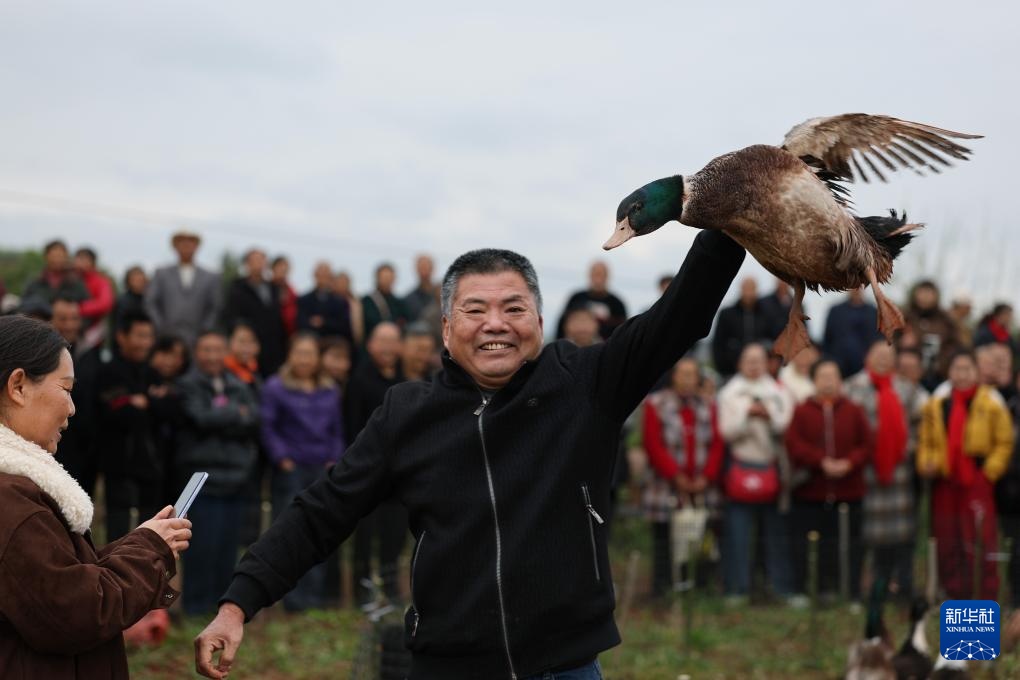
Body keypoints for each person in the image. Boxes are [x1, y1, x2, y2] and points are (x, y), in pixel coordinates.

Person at [194, 230, 745, 680]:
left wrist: (730, 218)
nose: (495, 324)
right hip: (446, 664)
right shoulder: (407, 413)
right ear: (446, 328)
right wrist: (237, 605)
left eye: (513, 308)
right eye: (475, 309)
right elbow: (321, 512)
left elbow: (681, 314)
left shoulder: (585, 382)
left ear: (538, 320)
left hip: (564, 666)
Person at [0, 314, 190, 679]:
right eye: (66, 389)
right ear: (19, 386)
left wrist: (141, 542)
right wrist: (149, 551)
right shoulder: (11, 501)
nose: (72, 408)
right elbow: (77, 612)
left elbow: (61, 577)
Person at [917, 351, 1013, 599]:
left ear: (976, 372)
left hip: (977, 480)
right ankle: (953, 593)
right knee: (948, 538)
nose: (962, 374)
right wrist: (928, 463)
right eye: (957, 369)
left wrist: (990, 472)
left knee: (980, 538)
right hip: (946, 481)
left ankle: (984, 595)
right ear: (949, 373)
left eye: (967, 369)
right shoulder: (937, 404)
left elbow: (1004, 442)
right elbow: (926, 441)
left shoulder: (991, 402)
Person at [177, 330, 260, 615]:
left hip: (236, 477)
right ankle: (195, 607)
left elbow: (254, 419)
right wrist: (236, 414)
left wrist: (222, 417)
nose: (212, 356)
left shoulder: (238, 384)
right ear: (196, 353)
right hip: (201, 478)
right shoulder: (186, 384)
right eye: (206, 349)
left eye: (217, 350)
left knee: (228, 547)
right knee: (201, 545)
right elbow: (200, 418)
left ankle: (222, 608)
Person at [260, 334, 344, 611]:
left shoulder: (329, 389)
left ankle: (314, 597)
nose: (305, 359)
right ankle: (292, 599)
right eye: (300, 353)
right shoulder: (276, 387)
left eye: (310, 353)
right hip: (292, 469)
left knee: (318, 531)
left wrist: (334, 459)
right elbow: (268, 427)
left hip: (321, 469)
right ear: (290, 355)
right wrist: (281, 457)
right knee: (291, 532)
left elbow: (336, 430)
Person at [845, 340, 928, 599]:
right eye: (877, 354)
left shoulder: (906, 388)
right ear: (867, 357)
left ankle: (899, 587)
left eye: (887, 355)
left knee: (900, 539)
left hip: (899, 474)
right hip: (865, 473)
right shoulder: (852, 387)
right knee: (864, 538)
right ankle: (863, 589)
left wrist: (909, 445)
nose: (882, 359)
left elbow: (921, 424)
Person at [785, 359, 872, 599]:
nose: (828, 382)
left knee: (849, 545)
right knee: (810, 545)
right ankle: (809, 590)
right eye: (822, 376)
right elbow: (794, 444)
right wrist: (820, 461)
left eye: (833, 376)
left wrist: (849, 462)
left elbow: (866, 444)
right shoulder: (802, 411)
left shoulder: (853, 410)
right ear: (813, 381)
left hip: (849, 492)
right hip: (810, 493)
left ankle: (850, 592)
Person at [716, 343, 796, 602]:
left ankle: (780, 587)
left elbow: (785, 424)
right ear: (740, 364)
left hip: (771, 467)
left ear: (767, 364)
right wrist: (747, 413)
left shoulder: (777, 391)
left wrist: (768, 415)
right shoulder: (729, 392)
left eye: (758, 360)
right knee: (737, 535)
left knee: (776, 534)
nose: (753, 365)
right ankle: (736, 588)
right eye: (748, 360)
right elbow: (726, 431)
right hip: (740, 465)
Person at [641, 357, 724, 597]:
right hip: (666, 487)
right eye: (683, 374)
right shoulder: (656, 403)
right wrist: (676, 476)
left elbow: (717, 444)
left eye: (692, 375)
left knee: (701, 539)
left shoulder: (709, 405)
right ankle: (663, 590)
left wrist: (705, 477)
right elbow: (652, 444)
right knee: (664, 540)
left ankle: (699, 589)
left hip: (702, 488)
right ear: (673, 376)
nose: (688, 380)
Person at [345, 321, 406, 603]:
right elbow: (352, 426)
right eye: (382, 341)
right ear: (370, 345)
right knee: (365, 535)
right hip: (367, 470)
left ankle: (391, 589)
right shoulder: (359, 380)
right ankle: (362, 591)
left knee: (395, 533)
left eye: (393, 341)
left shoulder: (405, 380)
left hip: (400, 471)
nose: (387, 347)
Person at [97, 311, 171, 541]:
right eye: (139, 335)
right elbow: (115, 413)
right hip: (120, 467)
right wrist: (149, 402)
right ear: (122, 336)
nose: (145, 342)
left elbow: (170, 410)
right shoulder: (108, 371)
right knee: (119, 536)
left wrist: (144, 402)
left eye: (148, 336)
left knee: (151, 534)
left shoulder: (153, 373)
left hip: (151, 466)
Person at [51, 297, 103, 496]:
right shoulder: (41, 358)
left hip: (87, 450)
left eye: (74, 318)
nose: (69, 325)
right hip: (54, 445)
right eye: (63, 319)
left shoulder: (92, 353)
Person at [145, 230, 221, 348]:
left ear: (196, 247)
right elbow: (151, 302)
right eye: (182, 243)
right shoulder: (161, 274)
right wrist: (160, 326)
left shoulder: (210, 277)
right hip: (166, 337)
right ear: (175, 247)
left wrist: (205, 330)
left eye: (190, 243)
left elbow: (215, 306)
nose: (186, 246)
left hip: (198, 339)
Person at [223, 249, 287, 377]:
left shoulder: (274, 288)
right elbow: (231, 316)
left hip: (272, 348)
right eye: (254, 260)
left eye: (261, 260)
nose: (258, 264)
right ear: (247, 264)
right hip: (247, 346)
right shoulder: (237, 287)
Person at [903, 280, 961, 389]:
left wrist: (942, 362)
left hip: (939, 375)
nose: (925, 296)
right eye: (922, 292)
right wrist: (903, 344)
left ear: (936, 296)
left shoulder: (946, 320)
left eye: (929, 292)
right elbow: (890, 342)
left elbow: (956, 345)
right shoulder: (904, 317)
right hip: (909, 374)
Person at [711, 277, 773, 377]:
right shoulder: (727, 314)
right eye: (746, 288)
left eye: (752, 289)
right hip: (732, 370)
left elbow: (771, 340)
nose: (749, 293)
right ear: (741, 289)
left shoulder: (767, 314)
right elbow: (718, 344)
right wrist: (723, 369)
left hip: (761, 371)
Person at [555, 261, 628, 341]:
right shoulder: (577, 298)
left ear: (607, 277)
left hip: (606, 345)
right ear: (589, 275)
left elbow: (623, 330)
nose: (598, 279)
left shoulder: (617, 304)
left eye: (601, 275)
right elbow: (562, 323)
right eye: (595, 274)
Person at [823, 287, 881, 379]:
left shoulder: (873, 312)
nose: (856, 289)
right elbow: (827, 340)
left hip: (866, 368)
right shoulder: (835, 311)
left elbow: (878, 341)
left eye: (858, 286)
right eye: (852, 286)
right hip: (839, 367)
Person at [296, 261, 354, 343]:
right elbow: (300, 322)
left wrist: (324, 322)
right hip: (310, 342)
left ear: (331, 277)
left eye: (325, 275)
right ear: (315, 275)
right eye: (320, 274)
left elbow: (344, 326)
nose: (322, 278)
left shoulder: (340, 302)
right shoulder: (304, 299)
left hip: (333, 344)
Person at [73, 247, 115, 352]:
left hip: (93, 332)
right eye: (78, 259)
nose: (80, 263)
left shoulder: (101, 282)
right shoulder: (70, 279)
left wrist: (78, 309)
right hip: (70, 331)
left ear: (93, 262)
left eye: (84, 259)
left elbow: (105, 304)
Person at [21, 240, 89, 306]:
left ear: (66, 257)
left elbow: (86, 304)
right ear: (46, 256)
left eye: (60, 256)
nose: (57, 260)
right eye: (54, 256)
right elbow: (24, 304)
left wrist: (72, 309)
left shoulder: (75, 282)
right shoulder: (35, 283)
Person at [361, 262, 410, 341]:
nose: (387, 280)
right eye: (384, 277)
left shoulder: (400, 303)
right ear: (377, 278)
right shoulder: (367, 301)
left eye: (390, 277)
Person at [403, 254, 440, 322]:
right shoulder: (408, 300)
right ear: (416, 269)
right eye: (421, 268)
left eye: (426, 267)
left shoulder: (442, 296)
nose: (424, 271)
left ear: (432, 269)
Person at [333, 270, 365, 346]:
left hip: (353, 340)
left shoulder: (356, 302)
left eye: (344, 282)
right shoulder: (329, 301)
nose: (342, 285)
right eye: (339, 282)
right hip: (335, 340)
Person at [271, 256, 298, 338]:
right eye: (280, 268)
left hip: (287, 333)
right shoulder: (266, 288)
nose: (282, 271)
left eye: (285, 269)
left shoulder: (291, 290)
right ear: (273, 268)